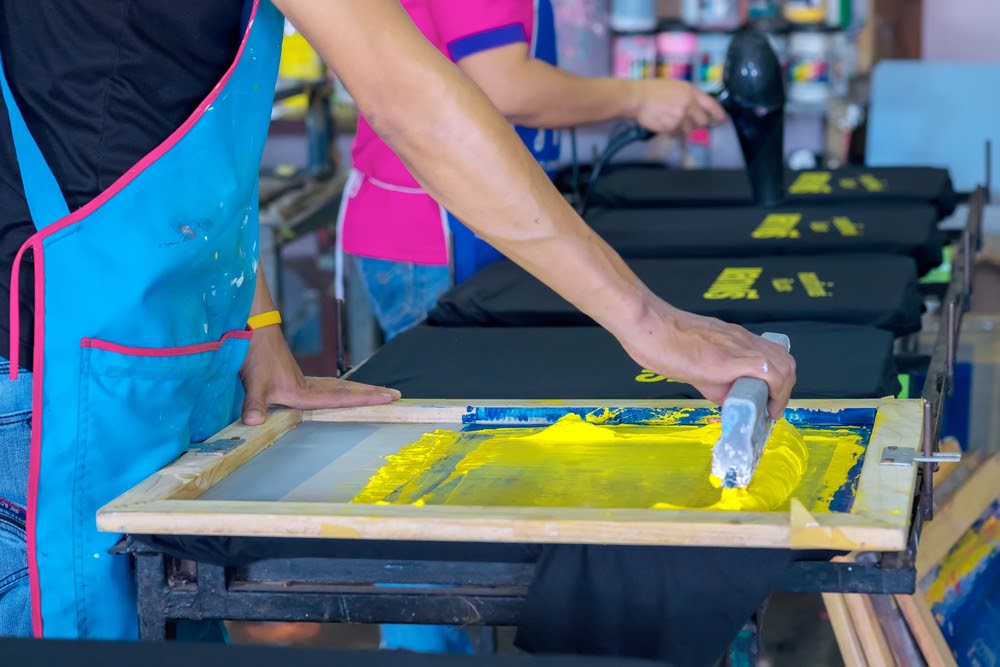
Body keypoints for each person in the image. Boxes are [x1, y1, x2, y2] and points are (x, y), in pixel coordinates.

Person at [0, 0, 794, 645]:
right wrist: (646, 321)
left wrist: (264, 328)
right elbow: (409, 93)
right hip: (51, 388)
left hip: (157, 356)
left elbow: (169, 133)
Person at [338, 0, 727, 341]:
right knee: (462, 402)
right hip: (435, 230)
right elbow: (506, 87)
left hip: (468, 215)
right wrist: (638, 98)